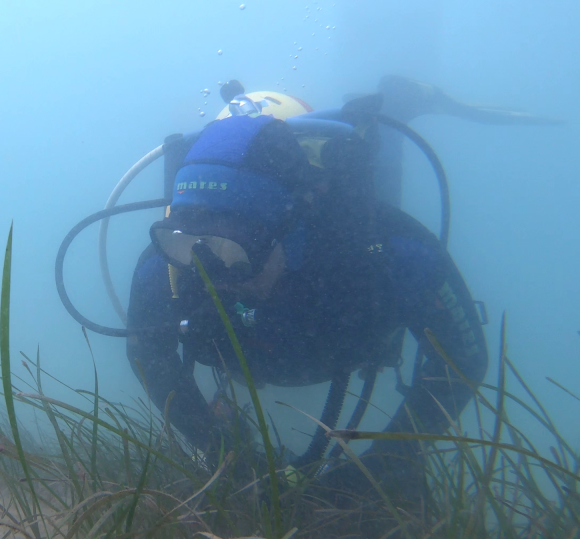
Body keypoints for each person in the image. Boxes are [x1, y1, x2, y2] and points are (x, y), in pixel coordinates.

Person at [124, 77, 511, 499]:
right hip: (294, 354)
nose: (213, 273)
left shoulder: (388, 255)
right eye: (188, 243)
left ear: (290, 230)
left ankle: (398, 101)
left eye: (233, 249)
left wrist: (386, 466)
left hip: (339, 316)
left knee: (382, 170)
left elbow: (462, 360)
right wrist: (223, 451)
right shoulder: (169, 265)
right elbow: (148, 355)